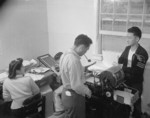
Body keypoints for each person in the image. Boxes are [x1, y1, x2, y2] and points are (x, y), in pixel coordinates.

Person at [118, 26, 149, 118]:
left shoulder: (142, 53)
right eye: (126, 37)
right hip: (125, 81)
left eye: (129, 37)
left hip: (136, 83)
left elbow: (137, 71)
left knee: (136, 105)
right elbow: (121, 61)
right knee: (124, 104)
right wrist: (119, 62)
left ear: (137, 39)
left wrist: (123, 67)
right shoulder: (127, 48)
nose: (127, 39)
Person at [59, 34, 92, 118]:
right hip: (74, 97)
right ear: (81, 47)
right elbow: (77, 86)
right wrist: (87, 91)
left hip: (66, 95)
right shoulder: (73, 60)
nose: (85, 53)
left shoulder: (64, 55)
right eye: (86, 50)